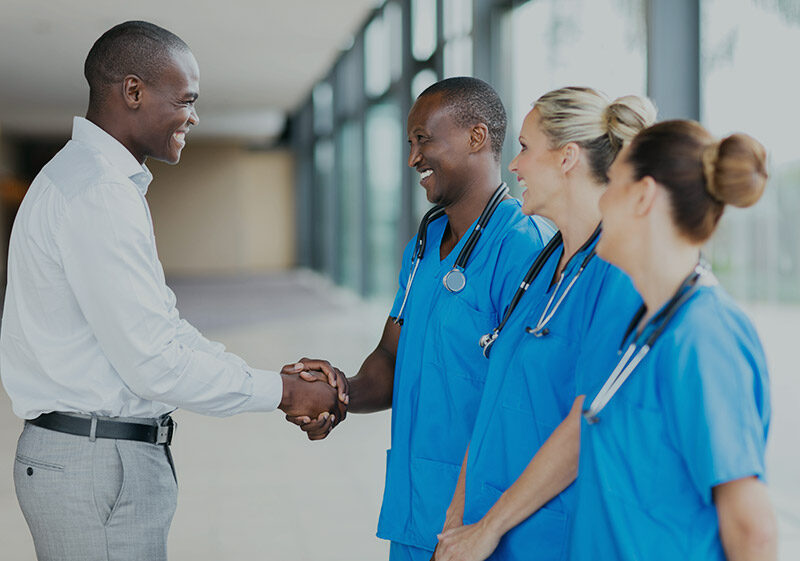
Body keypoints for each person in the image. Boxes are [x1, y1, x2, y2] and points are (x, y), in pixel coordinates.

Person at [0, 21, 345, 561]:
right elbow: (154, 361)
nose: (194, 115)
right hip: (95, 464)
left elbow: (163, 327)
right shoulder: (98, 192)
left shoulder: (91, 181)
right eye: (186, 99)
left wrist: (274, 380)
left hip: (93, 457)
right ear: (133, 91)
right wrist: (285, 392)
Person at [286, 77, 554, 561]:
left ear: (476, 137)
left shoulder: (523, 248)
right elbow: (392, 355)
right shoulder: (425, 244)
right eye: (410, 143)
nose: (413, 158)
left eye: (424, 139)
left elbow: (523, 404)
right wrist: (340, 392)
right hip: (417, 507)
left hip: (483, 518)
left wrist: (478, 523)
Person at [433, 87, 656, 561]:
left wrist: (488, 527)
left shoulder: (617, 277)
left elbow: (586, 423)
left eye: (525, 147)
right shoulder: (542, 265)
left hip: (548, 537)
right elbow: (495, 396)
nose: (514, 166)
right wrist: (457, 518)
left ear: (567, 157)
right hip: (486, 530)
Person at [569, 120, 777, 560]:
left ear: (643, 195)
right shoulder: (647, 323)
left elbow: (751, 529)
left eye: (612, 183)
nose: (602, 199)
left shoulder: (705, 336)